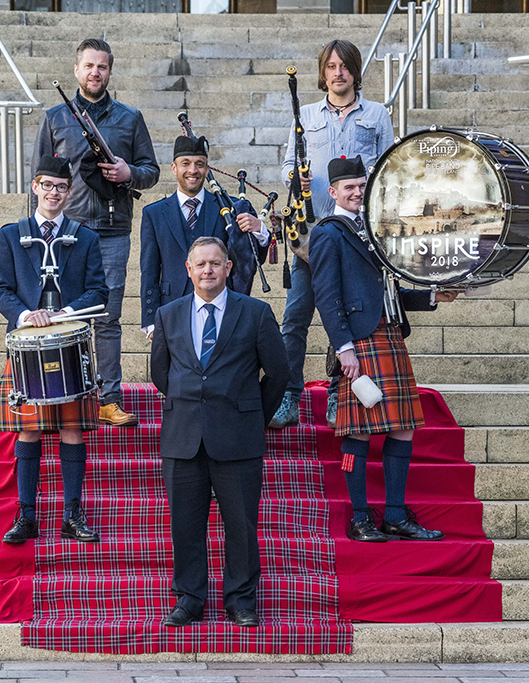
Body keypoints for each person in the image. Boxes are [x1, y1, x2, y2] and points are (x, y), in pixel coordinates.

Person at [310, 156, 457, 543]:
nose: (357, 192)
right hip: (359, 340)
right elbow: (326, 296)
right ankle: (360, 517)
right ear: (334, 192)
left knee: (404, 427)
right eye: (349, 188)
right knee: (357, 432)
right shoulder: (328, 233)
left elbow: (388, 289)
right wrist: (344, 350)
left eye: (361, 186)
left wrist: (433, 295)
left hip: (390, 334)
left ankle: (394, 515)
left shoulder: (380, 228)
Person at [150, 236, 290, 628]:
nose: (208, 270)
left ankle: (241, 600)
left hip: (239, 435)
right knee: (185, 524)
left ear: (229, 268)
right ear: (189, 270)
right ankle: (190, 598)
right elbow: (160, 374)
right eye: (201, 264)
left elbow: (278, 373)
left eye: (216, 263)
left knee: (241, 525)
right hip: (183, 437)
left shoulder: (256, 313)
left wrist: (251, 415)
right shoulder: (168, 314)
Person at [30, 38, 160, 427]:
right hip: (63, 232)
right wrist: (35, 235)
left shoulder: (129, 118)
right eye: (88, 66)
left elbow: (150, 172)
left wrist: (128, 173)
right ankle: (61, 396)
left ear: (109, 71)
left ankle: (108, 399)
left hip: (111, 230)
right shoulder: (56, 118)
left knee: (106, 317)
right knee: (58, 316)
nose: (95, 72)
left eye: (102, 67)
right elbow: (37, 179)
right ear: (77, 70)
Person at [271, 39, 395, 430]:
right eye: (331, 66)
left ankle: (339, 394)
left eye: (344, 66)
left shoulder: (377, 114)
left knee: (347, 316)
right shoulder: (306, 113)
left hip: (359, 236)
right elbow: (288, 163)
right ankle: (289, 395)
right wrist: (297, 176)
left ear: (355, 71)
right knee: (295, 316)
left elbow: (390, 169)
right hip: (312, 235)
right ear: (322, 72)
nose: (337, 73)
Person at [0, 154, 109, 545]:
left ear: (69, 191)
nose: (53, 192)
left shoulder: (86, 237)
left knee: (72, 429)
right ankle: (26, 516)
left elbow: (98, 291)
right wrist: (27, 315)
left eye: (61, 187)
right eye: (47, 185)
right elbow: (0, 290)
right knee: (28, 431)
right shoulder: (12, 234)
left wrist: (66, 312)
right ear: (34, 187)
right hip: (26, 346)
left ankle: (72, 515)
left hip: (70, 344)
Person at [139, 135, 269, 336]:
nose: (193, 170)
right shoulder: (153, 214)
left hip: (220, 310)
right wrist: (150, 322)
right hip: (171, 310)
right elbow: (149, 272)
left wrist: (260, 230)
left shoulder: (228, 208)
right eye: (186, 164)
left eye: (199, 164)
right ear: (174, 168)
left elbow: (250, 260)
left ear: (207, 170)